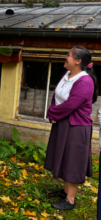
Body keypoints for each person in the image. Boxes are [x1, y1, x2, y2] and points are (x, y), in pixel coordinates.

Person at [44, 46, 98, 211]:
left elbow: (71, 105)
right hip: (64, 122)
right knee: (64, 157)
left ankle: (70, 200)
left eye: (68, 55)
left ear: (78, 61)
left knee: (73, 161)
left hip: (76, 127)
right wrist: (54, 114)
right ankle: (66, 191)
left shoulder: (85, 81)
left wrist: (52, 113)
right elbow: (57, 95)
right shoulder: (67, 75)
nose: (65, 57)